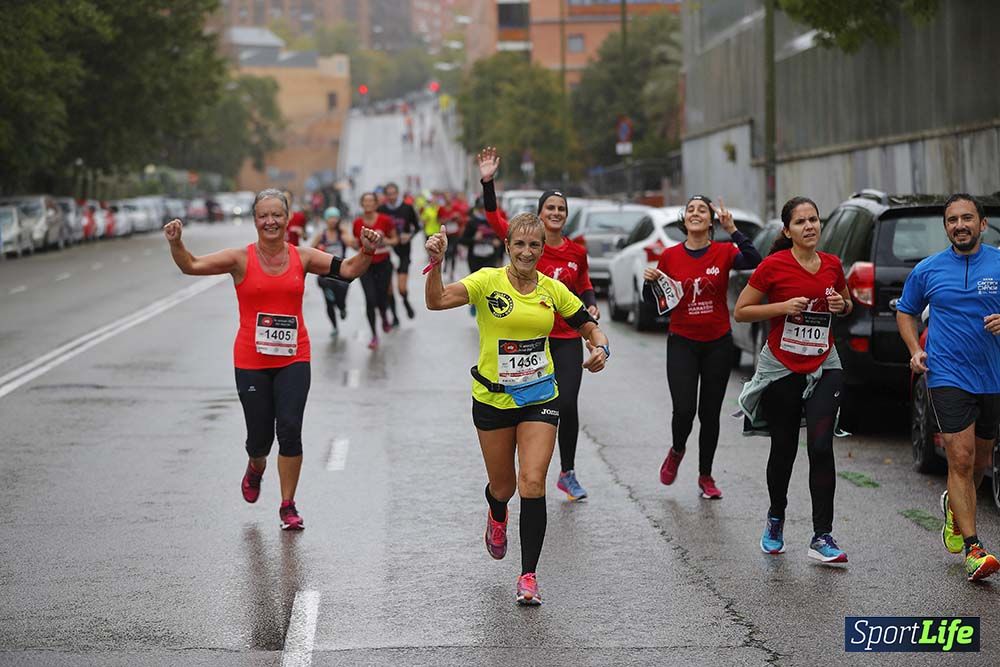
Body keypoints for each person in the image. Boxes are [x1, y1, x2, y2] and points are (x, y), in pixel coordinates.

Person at [163, 189, 382, 530]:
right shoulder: (239, 259)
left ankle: (287, 505)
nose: (270, 221)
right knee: (260, 440)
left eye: (277, 215)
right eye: (263, 215)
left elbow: (350, 269)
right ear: (255, 221)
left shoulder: (302, 256)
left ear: (287, 218)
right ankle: (255, 466)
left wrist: (367, 250)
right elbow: (191, 265)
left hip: (294, 357)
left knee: (290, 429)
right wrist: (177, 242)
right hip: (251, 361)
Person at [424, 213, 609, 605]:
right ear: (507, 246)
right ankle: (496, 512)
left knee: (532, 483)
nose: (527, 252)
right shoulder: (486, 281)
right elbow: (436, 301)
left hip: (539, 397)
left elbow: (588, 325)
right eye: (520, 244)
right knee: (504, 487)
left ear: (543, 249)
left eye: (534, 245)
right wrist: (436, 265)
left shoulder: (552, 289)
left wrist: (601, 347)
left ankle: (528, 576)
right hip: (493, 399)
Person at [477, 147, 601, 502]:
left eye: (561, 209)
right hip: (531, 340)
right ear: (540, 213)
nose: (556, 213)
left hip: (566, 337)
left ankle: (568, 472)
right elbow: (493, 217)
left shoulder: (577, 251)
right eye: (550, 208)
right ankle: (522, 463)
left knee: (568, 404)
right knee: (531, 404)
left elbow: (584, 284)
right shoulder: (527, 243)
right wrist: (488, 182)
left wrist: (590, 305)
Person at [734, 196, 851, 564]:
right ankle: (775, 519)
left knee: (821, 446)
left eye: (814, 219)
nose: (809, 226)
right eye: (800, 222)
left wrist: (841, 305)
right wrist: (782, 307)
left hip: (824, 363)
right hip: (782, 366)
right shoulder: (773, 266)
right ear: (787, 230)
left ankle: (822, 535)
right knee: (784, 448)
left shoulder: (832, 264)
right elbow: (741, 311)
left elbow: (846, 302)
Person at [896, 194, 1000, 582]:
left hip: (993, 375)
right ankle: (974, 549)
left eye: (967, 218)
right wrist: (915, 349)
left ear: (982, 224)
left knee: (980, 461)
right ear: (946, 227)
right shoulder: (928, 269)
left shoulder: (999, 262)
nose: (960, 225)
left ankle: (955, 511)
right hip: (947, 374)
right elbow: (906, 310)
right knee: (961, 457)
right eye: (952, 220)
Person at [643, 196, 762, 499]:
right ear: (685, 219)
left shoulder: (724, 251)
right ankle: (677, 449)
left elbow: (755, 260)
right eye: (691, 210)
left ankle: (705, 476)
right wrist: (648, 282)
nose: (695, 213)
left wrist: (732, 229)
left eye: (702, 210)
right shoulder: (670, 255)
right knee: (684, 410)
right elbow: (655, 302)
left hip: (718, 343)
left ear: (711, 221)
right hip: (682, 342)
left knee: (709, 414)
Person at [351, 192, 399, 349]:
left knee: (382, 297)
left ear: (376, 204)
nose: (368, 204)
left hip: (383, 264)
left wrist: (383, 240)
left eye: (371, 201)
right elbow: (355, 243)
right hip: (365, 265)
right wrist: (354, 244)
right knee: (370, 300)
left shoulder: (385, 220)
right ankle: (374, 335)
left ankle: (384, 315)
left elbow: (395, 240)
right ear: (361, 204)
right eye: (365, 201)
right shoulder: (357, 223)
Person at [378, 182, 422, 321]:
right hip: (387, 250)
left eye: (393, 194)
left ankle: (405, 301)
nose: (391, 197)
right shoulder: (381, 209)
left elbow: (417, 226)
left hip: (403, 251)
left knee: (401, 288)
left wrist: (409, 235)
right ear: (385, 195)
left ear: (398, 194)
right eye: (388, 194)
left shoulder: (407, 208)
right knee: (388, 289)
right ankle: (395, 316)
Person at [310, 207, 351, 337]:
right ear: (326, 220)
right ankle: (334, 326)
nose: (333, 220)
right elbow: (310, 251)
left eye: (335, 218)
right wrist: (319, 248)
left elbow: (352, 243)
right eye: (330, 218)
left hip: (341, 272)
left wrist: (345, 234)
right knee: (329, 302)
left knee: (341, 297)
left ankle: (342, 307)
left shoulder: (341, 233)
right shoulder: (321, 235)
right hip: (325, 272)